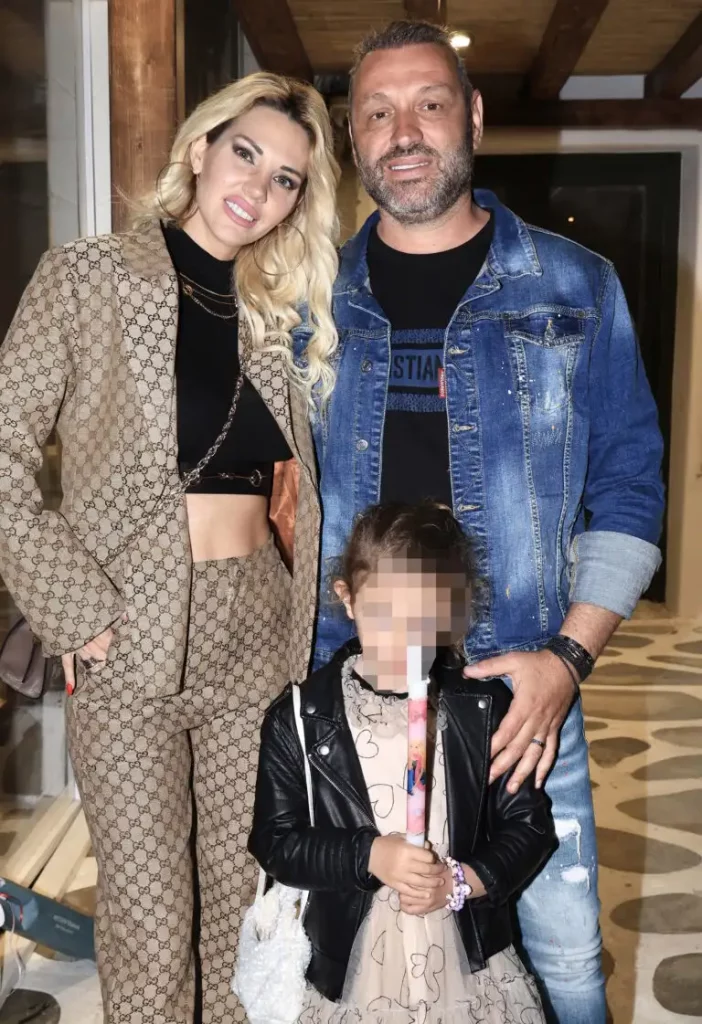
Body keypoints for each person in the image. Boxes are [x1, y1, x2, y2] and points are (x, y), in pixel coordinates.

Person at [299, 20, 665, 1024]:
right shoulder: (309, 298)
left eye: (428, 104)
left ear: (473, 116)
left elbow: (630, 484)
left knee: (564, 961)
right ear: (354, 137)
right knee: (377, 965)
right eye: (377, 112)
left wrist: (568, 661)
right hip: (355, 696)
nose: (403, 132)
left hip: (521, 695)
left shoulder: (576, 286)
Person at [0, 72, 339, 1022]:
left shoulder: (278, 315)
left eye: (284, 179)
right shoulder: (88, 277)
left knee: (239, 912)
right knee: (150, 926)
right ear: (200, 148)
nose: (258, 188)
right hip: (124, 628)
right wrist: (71, 604)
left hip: (255, 629)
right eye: (246, 154)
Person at [250, 501, 556, 1024]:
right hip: (354, 962)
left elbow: (529, 826)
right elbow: (276, 842)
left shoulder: (481, 709)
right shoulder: (300, 717)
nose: (401, 638)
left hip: (463, 954)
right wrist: (367, 854)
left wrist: (462, 881)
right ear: (348, 598)